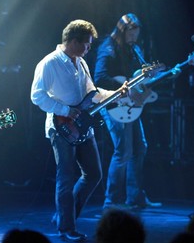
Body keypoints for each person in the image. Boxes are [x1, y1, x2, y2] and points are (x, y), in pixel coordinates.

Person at [31, 19, 128, 242]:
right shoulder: (49, 63)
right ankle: (66, 227)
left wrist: (116, 93)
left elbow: (91, 93)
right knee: (65, 177)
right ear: (74, 41)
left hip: (83, 126)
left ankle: (65, 216)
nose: (89, 49)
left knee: (94, 173)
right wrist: (65, 109)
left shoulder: (81, 63)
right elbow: (37, 96)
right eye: (87, 44)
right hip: (60, 128)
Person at [93, 13, 162, 210]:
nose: (134, 39)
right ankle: (111, 199)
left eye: (136, 35)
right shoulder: (108, 48)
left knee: (140, 148)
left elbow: (138, 79)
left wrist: (151, 77)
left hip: (130, 105)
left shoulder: (135, 50)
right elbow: (99, 78)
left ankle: (135, 197)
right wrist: (121, 83)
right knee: (123, 150)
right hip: (112, 103)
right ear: (123, 31)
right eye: (131, 35)